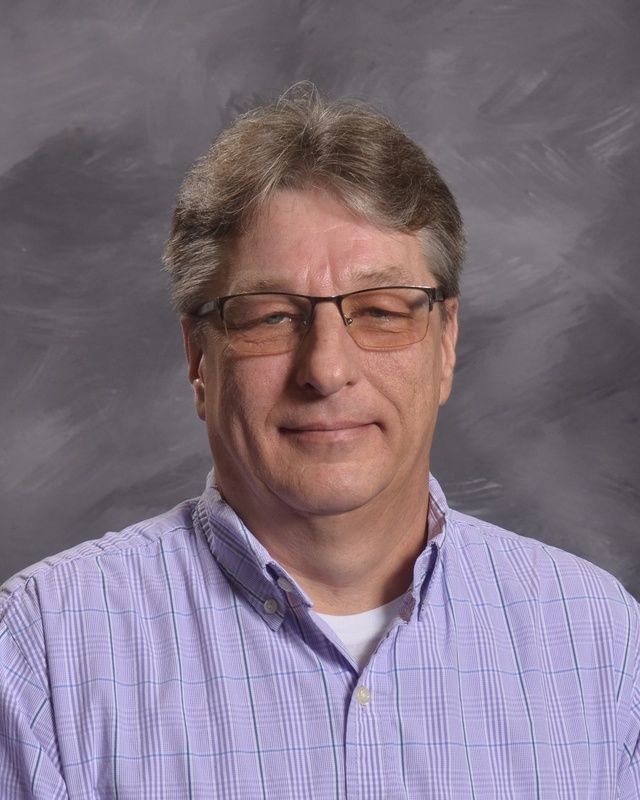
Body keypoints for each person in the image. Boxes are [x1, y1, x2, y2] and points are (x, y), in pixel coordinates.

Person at [1, 87, 639, 800]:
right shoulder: (45, 650)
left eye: (380, 311)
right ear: (197, 357)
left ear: (447, 342)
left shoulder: (597, 640)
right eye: (270, 317)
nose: (327, 370)